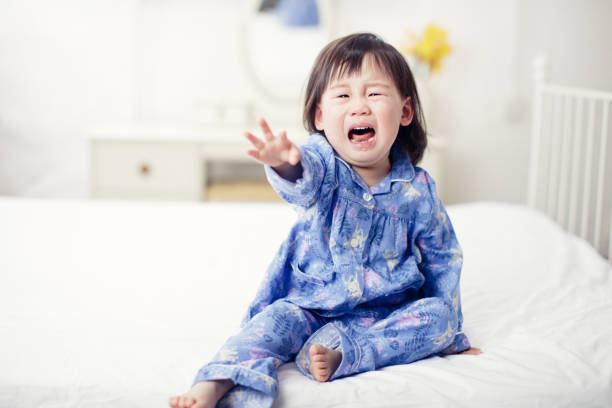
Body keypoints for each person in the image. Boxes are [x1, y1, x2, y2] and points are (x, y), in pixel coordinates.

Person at [169, 32, 481, 408]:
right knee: (266, 327)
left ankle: (346, 354)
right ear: (320, 115)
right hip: (308, 304)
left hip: (383, 315)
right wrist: (286, 161)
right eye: (343, 95)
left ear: (405, 111)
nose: (359, 107)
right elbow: (304, 178)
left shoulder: (418, 189)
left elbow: (443, 257)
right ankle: (215, 383)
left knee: (438, 317)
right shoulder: (322, 162)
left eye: (375, 93)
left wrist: (450, 330)